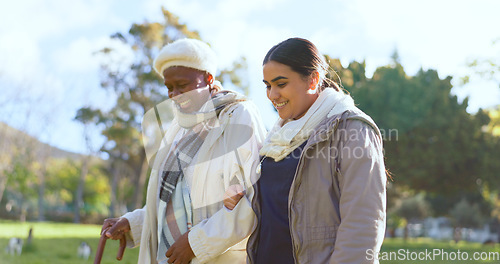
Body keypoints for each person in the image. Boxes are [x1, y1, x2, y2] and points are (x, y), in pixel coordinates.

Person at [101, 38, 266, 264]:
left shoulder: (239, 116)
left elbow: (254, 198)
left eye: (182, 85)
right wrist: (133, 223)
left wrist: (196, 243)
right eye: (169, 88)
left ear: (208, 78)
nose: (175, 94)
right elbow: (172, 201)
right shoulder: (177, 129)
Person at [223, 38, 387, 264]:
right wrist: (244, 192)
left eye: (281, 84)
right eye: (268, 85)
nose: (272, 95)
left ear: (313, 79)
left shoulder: (352, 129)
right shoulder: (275, 138)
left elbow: (363, 224)